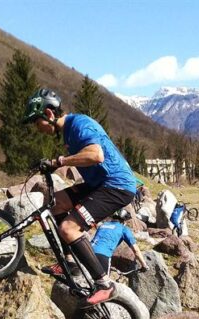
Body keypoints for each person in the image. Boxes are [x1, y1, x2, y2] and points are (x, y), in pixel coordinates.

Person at [22, 88, 136, 306]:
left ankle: (104, 284)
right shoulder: (68, 132)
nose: (37, 128)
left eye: (37, 122)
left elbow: (96, 155)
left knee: (68, 228)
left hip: (117, 186)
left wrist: (60, 162)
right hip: (99, 184)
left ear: (49, 114)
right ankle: (70, 262)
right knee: (55, 204)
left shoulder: (80, 124)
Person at [91, 209, 148, 275]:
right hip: (103, 254)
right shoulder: (123, 228)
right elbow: (136, 250)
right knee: (104, 280)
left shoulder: (102, 225)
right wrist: (144, 265)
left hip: (88, 250)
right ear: (124, 221)